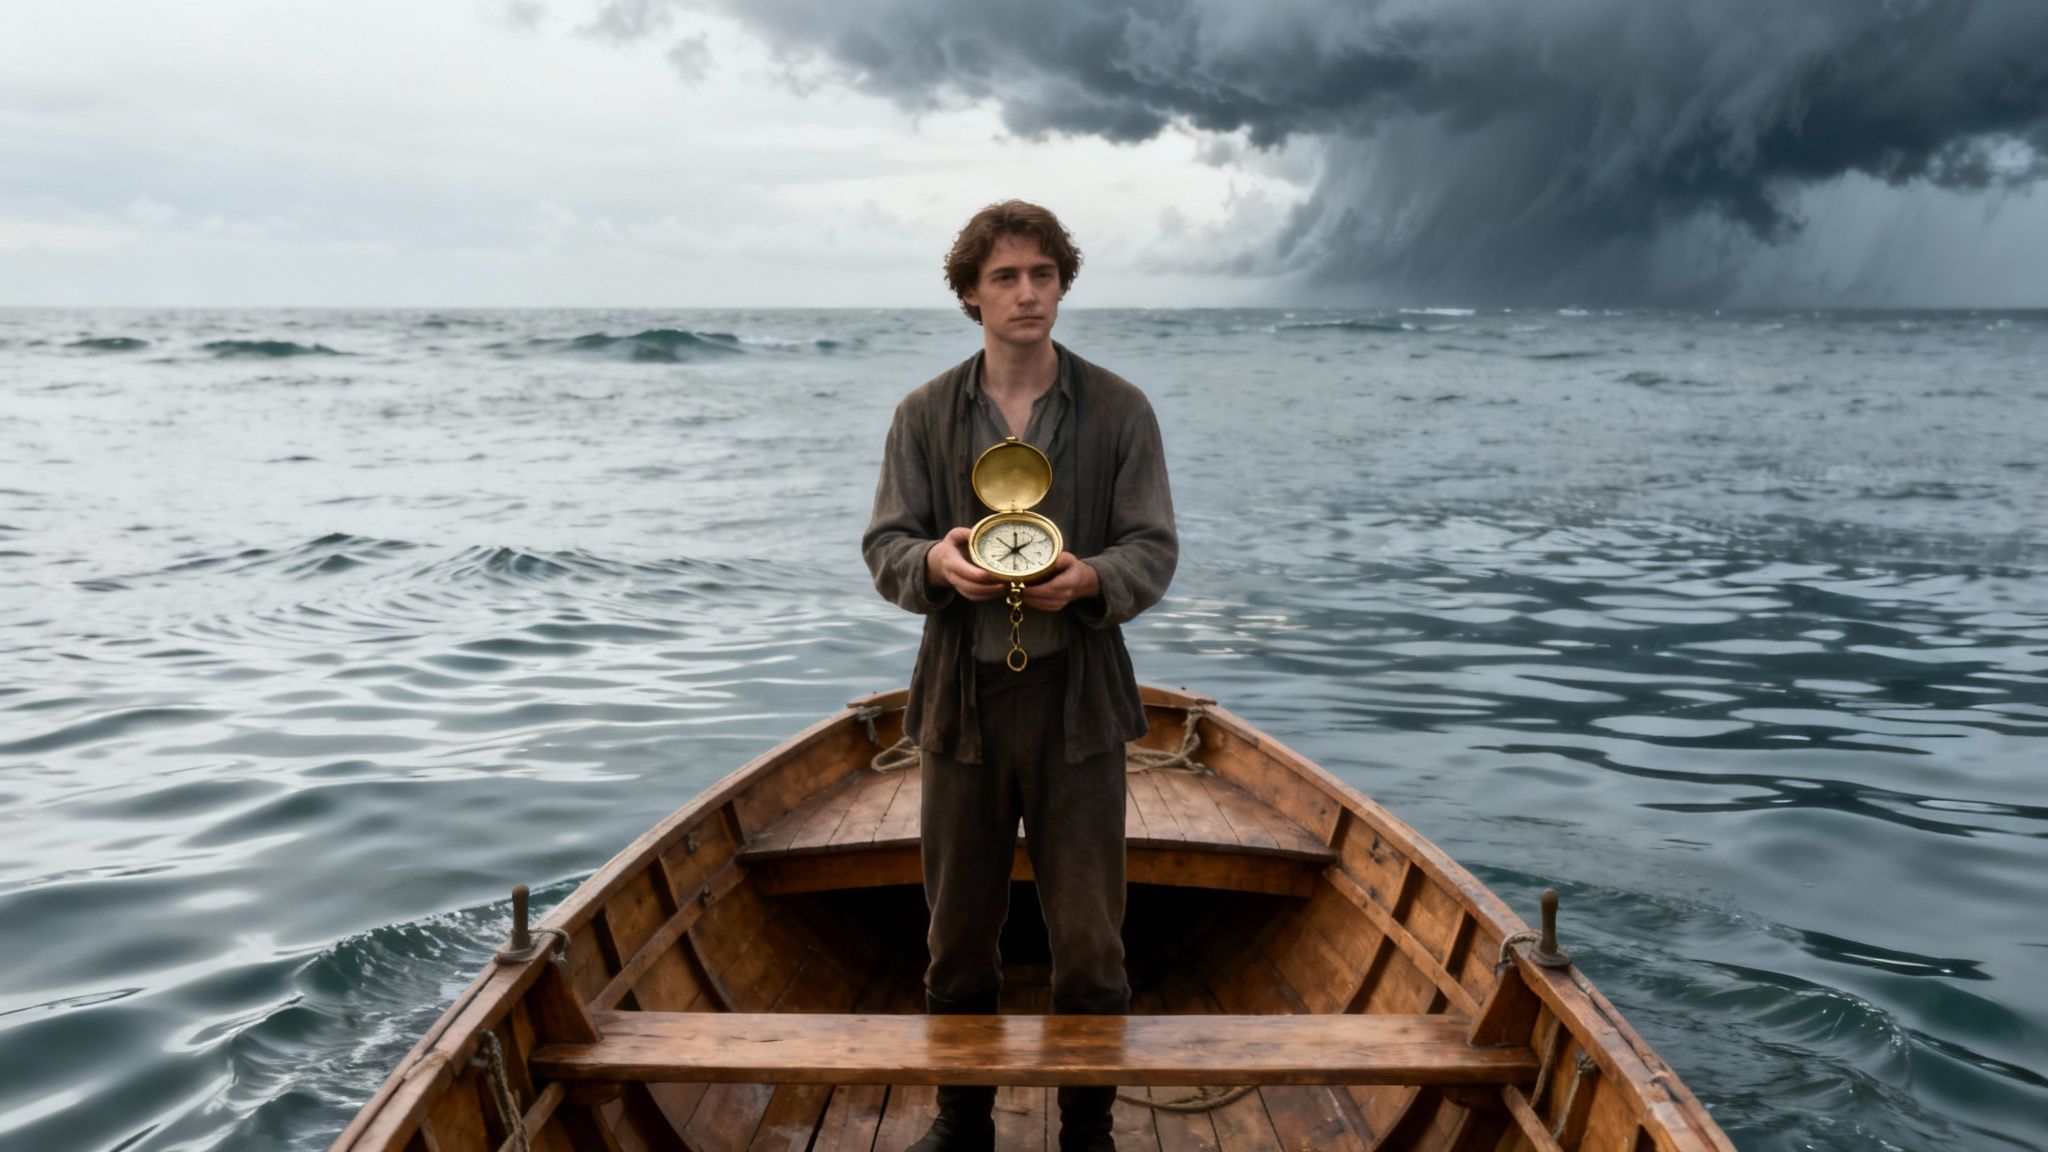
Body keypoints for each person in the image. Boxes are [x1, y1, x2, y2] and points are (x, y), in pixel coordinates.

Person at [861, 200, 1178, 1152]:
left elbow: (1152, 547)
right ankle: (962, 1122)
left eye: (1043, 274)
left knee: (1090, 935)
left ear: (1062, 285)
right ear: (970, 293)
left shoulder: (1120, 409)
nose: (1027, 292)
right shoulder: (924, 414)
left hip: (1079, 700)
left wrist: (1091, 579)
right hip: (959, 700)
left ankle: (1088, 1129)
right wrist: (934, 564)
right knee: (957, 929)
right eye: (1004, 276)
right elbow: (886, 545)